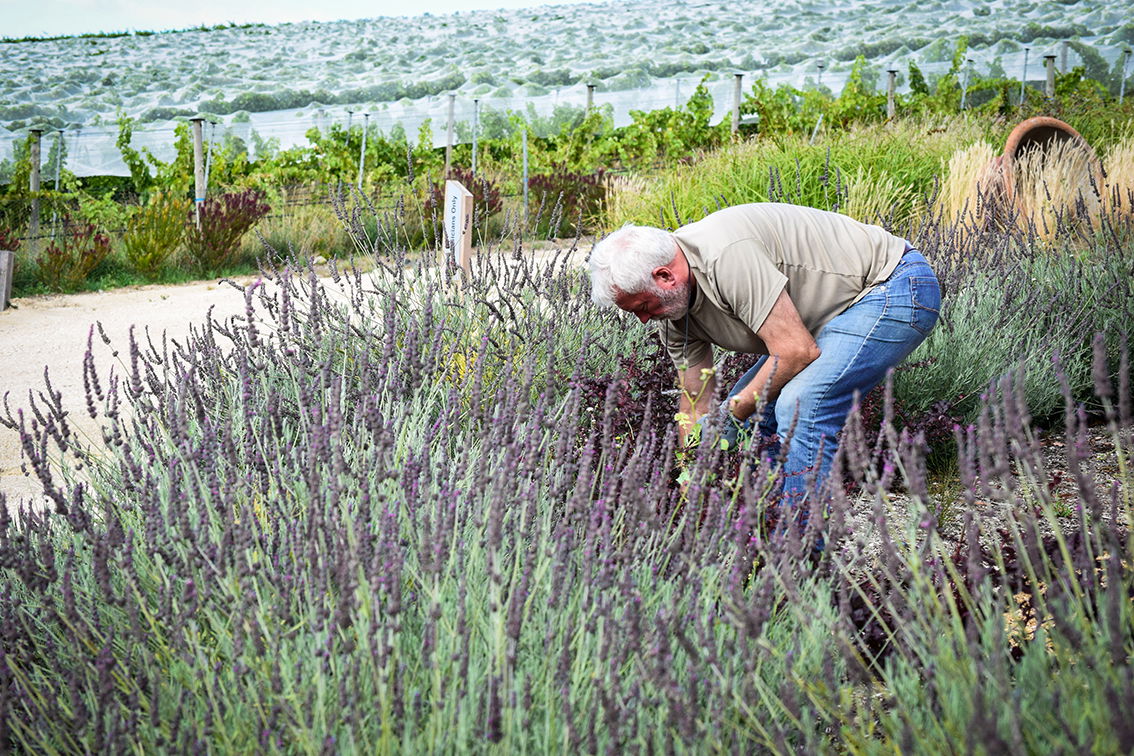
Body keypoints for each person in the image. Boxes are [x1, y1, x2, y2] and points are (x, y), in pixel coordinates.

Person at [588, 202, 940, 524]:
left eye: (643, 307)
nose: (645, 321)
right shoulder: (673, 311)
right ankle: (753, 529)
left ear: (665, 276)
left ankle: (800, 553)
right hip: (830, 317)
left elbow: (795, 351)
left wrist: (726, 418)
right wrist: (689, 476)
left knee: (801, 403)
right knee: (743, 421)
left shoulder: (725, 256)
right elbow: (695, 404)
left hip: (893, 285)